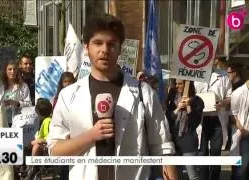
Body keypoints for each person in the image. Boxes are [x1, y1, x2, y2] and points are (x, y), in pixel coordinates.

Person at [47, 14, 175, 180]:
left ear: (120, 48)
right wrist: (90, 136)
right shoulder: (68, 95)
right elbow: (55, 151)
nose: (105, 50)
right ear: (86, 48)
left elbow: (163, 147)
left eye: (111, 44)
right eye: (98, 43)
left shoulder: (143, 92)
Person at [194, 55, 232, 180]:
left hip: (217, 119)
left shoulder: (224, 76)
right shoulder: (197, 76)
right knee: (203, 153)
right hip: (202, 119)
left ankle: (214, 178)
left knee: (216, 153)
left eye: (213, 58)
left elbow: (229, 96)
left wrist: (222, 104)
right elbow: (193, 96)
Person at [166, 79, 204, 180]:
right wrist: (177, 109)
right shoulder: (172, 99)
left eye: (180, 84)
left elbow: (195, 123)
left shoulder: (197, 101)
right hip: (174, 141)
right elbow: (167, 119)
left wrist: (188, 107)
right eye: (176, 84)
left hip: (188, 141)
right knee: (177, 175)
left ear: (187, 84)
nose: (177, 86)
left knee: (193, 175)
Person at [0, 60, 32, 127]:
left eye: (14, 69)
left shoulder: (23, 86)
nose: (12, 72)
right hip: (2, 121)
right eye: (9, 69)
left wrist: (17, 103)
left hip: (19, 122)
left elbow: (29, 104)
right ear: (5, 71)